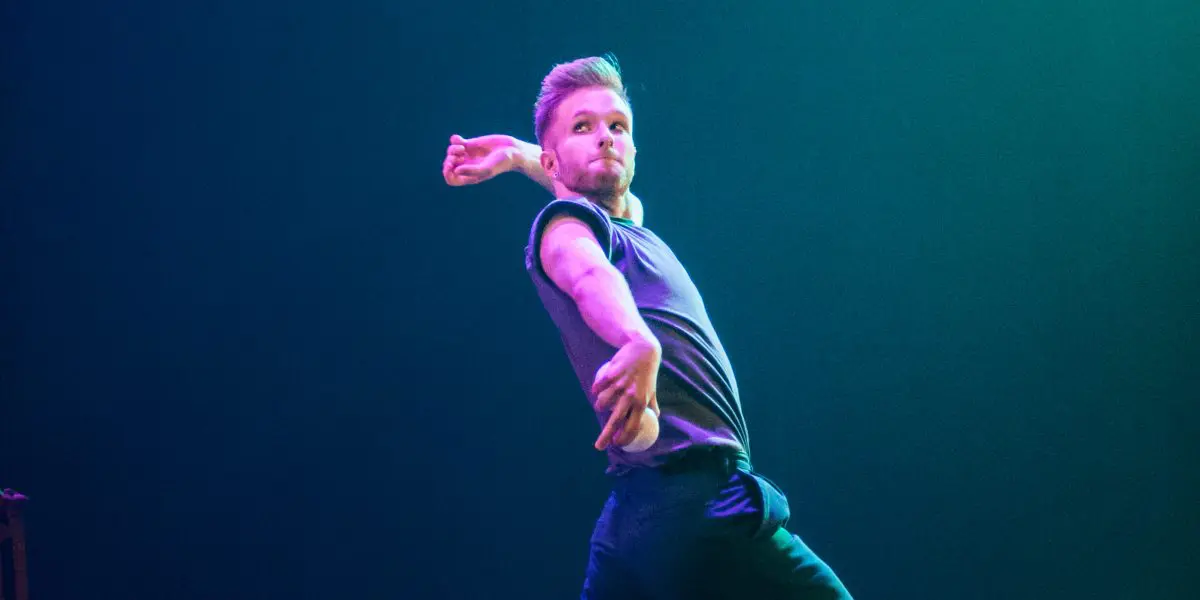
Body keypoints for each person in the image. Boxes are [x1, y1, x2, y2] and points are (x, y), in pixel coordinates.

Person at [441, 55, 853, 600]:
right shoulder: (564, 227)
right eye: (582, 127)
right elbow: (589, 275)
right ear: (554, 158)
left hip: (635, 516)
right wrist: (637, 339)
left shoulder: (627, 228)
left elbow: (608, 192)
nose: (605, 137)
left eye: (618, 126)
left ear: (635, 149)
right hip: (697, 502)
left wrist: (522, 157)